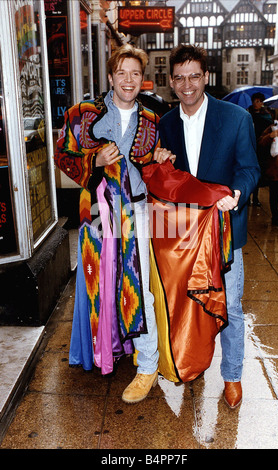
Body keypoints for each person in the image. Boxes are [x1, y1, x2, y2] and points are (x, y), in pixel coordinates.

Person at [54, 44, 174, 404]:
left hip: (137, 214)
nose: (128, 79)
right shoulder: (83, 114)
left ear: (142, 79)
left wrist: (163, 156)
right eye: (121, 72)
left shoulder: (153, 119)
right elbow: (62, 155)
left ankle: (147, 365)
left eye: (135, 73)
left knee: (139, 287)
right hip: (97, 214)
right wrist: (94, 158)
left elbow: (155, 164)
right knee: (101, 284)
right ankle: (107, 349)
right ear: (110, 76)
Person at [159, 44, 260, 409]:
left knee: (230, 306)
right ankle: (195, 364)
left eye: (194, 76)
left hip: (224, 232)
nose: (188, 85)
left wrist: (237, 192)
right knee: (193, 306)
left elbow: (250, 169)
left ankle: (232, 375)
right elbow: (166, 179)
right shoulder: (166, 124)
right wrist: (161, 160)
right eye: (180, 78)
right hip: (186, 237)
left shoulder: (236, 118)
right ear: (172, 82)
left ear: (206, 78)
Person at [258, 103, 278, 226]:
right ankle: (275, 215)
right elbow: (260, 142)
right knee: (274, 195)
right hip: (275, 168)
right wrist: (270, 136)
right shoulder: (273, 127)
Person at [247, 92, 273, 205]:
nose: (256, 104)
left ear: (262, 103)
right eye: (254, 101)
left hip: (260, 149)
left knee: (258, 173)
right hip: (248, 147)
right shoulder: (247, 114)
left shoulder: (266, 116)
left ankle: (256, 198)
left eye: (258, 101)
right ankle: (247, 198)